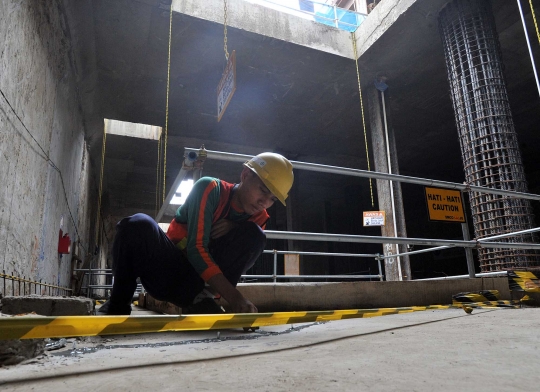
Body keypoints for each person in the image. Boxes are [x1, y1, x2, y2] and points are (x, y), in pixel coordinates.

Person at [99, 152, 294, 315]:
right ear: (245, 175)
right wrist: (235, 298)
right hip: (168, 273)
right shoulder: (211, 189)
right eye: (262, 190)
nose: (264, 202)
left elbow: (236, 255)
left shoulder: (258, 219)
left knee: (255, 235)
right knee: (138, 223)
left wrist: (235, 227)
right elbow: (196, 248)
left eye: (272, 199)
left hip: (197, 286)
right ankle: (118, 303)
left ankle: (203, 299)